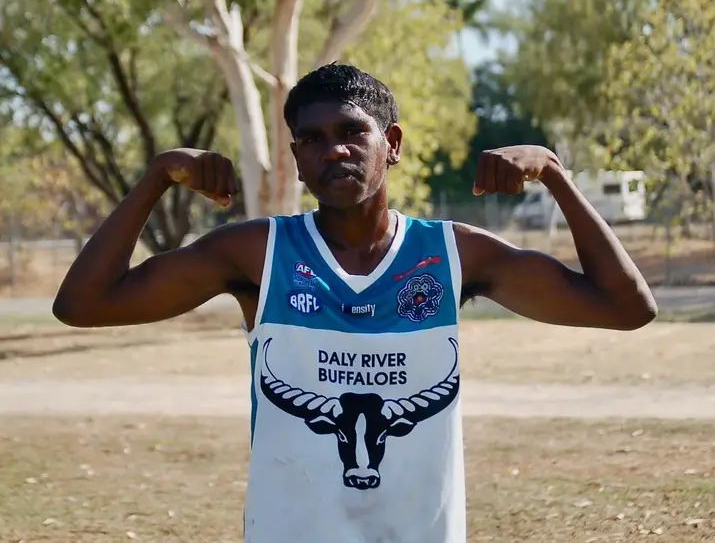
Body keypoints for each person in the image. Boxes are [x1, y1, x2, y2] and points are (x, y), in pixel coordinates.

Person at [53, 63, 657, 542]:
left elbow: (626, 307)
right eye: (312, 139)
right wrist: (157, 176)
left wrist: (555, 175)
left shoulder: (452, 254)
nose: (333, 150)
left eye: (352, 131)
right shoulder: (258, 253)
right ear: (296, 159)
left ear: (390, 143)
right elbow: (84, 303)